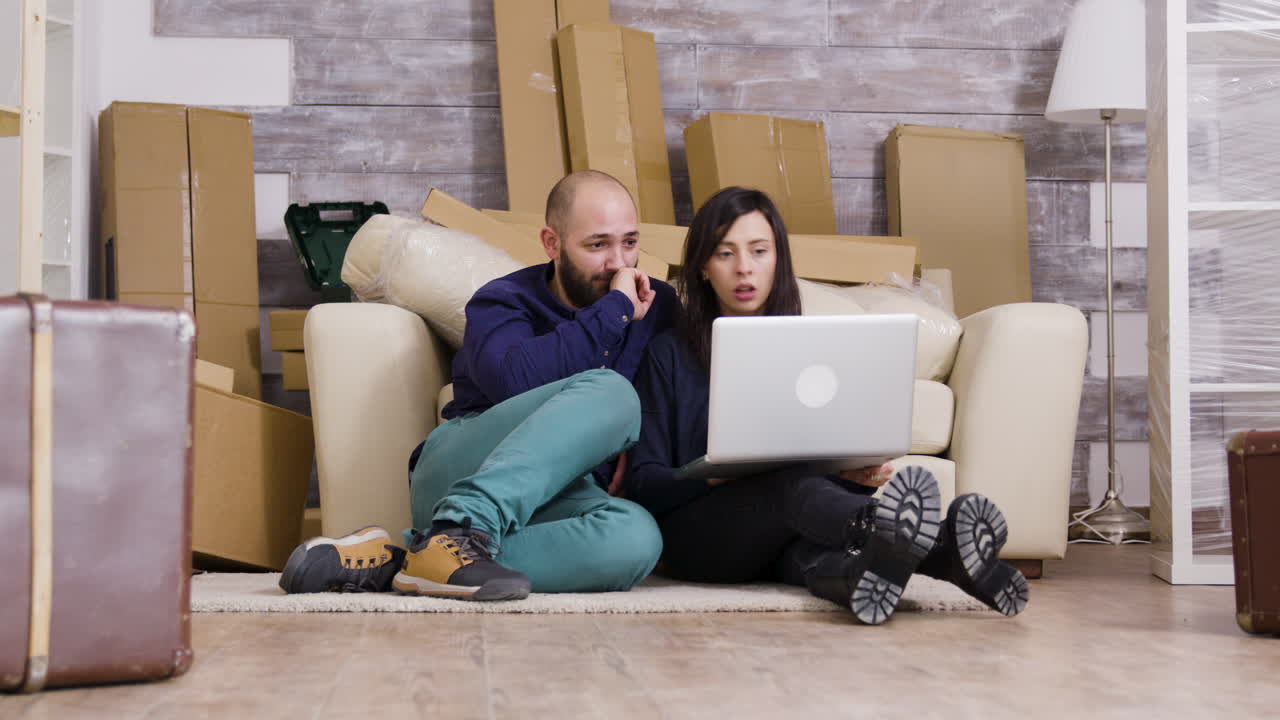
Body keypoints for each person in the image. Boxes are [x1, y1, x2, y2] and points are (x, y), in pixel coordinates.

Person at [624, 186, 1029, 624]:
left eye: (759, 251)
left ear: (778, 260)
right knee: (789, 487)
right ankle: (912, 534)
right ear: (702, 266)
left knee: (811, 551)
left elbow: (814, 461)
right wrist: (714, 477)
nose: (744, 268)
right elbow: (644, 484)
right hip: (699, 539)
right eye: (725, 253)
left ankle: (904, 567)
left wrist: (850, 473)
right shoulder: (668, 352)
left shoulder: (810, 350)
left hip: (783, 530)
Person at [279, 170, 678, 600]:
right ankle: (462, 524)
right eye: (598, 245)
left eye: (630, 243)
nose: (619, 263)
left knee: (638, 539)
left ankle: (411, 559)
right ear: (551, 243)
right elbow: (515, 381)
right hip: (463, 467)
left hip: (563, 494)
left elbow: (673, 394)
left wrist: (633, 448)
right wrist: (615, 309)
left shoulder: (659, 306)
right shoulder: (501, 300)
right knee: (613, 392)